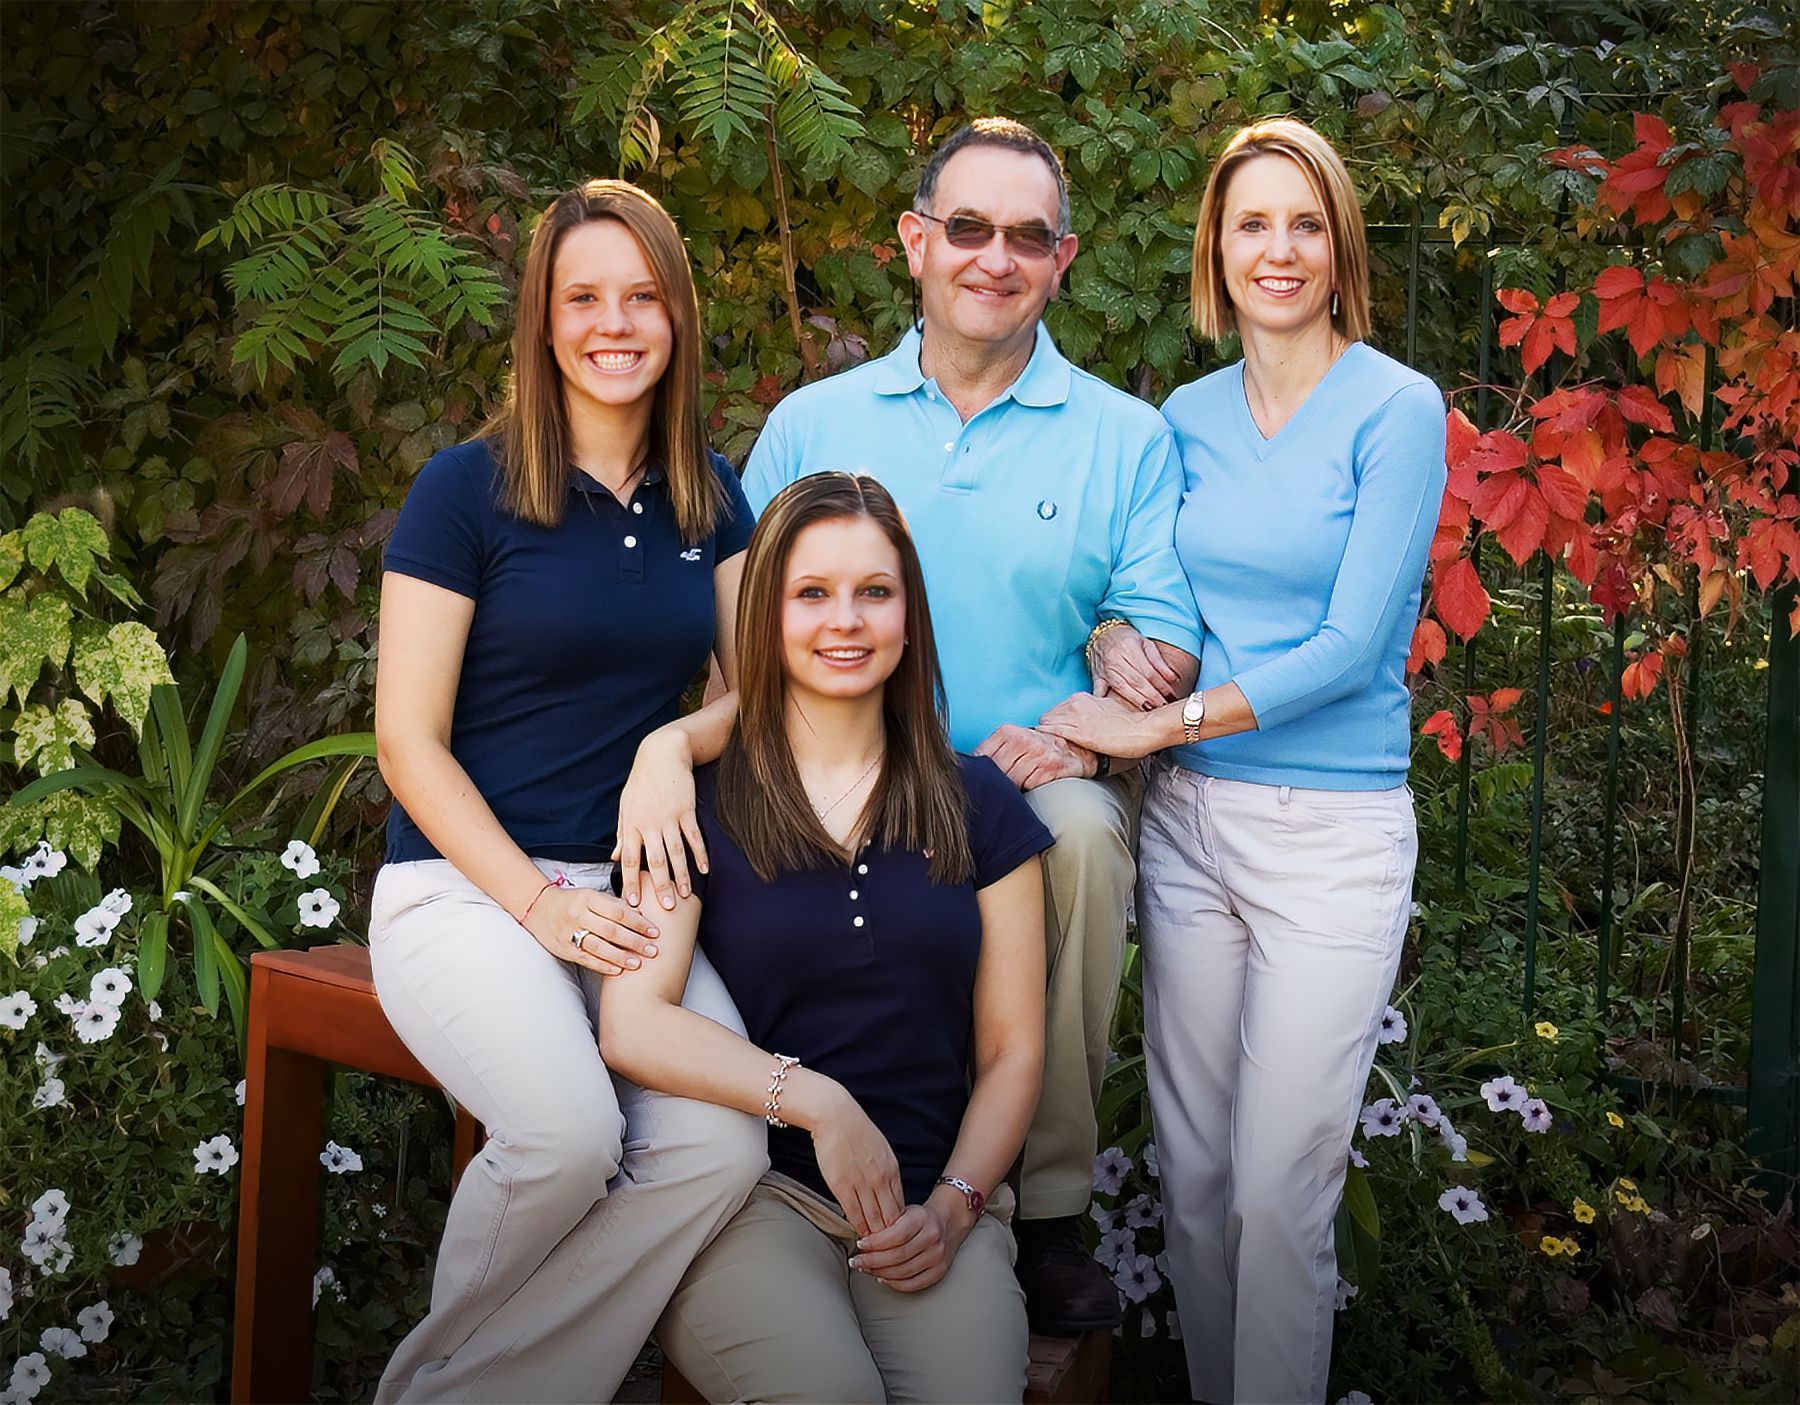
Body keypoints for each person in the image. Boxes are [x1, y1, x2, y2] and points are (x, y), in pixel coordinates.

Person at [731, 117, 1203, 1333]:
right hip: (826, 770)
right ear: (916, 242)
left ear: (1064, 259)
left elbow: (1161, 639)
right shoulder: (811, 424)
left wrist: (1089, 734)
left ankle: (1041, 1209)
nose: (996, 257)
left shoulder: (1125, 437)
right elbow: (737, 634)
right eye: (970, 228)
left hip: (1014, 782)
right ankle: (757, 1170)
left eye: (1028, 237)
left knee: (1086, 838)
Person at [1039, 117, 1448, 1403]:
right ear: (1216, 246)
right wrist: (1115, 640)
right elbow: (1151, 597)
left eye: (1305, 223)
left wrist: (1155, 727)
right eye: (1253, 223)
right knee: (1199, 1177)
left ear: (1341, 247)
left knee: (1281, 1192)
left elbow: (1349, 644)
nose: (1280, 249)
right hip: (1193, 829)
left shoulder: (1397, 407)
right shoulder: (1188, 417)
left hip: (1331, 839)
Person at [368, 179, 764, 1403]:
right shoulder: (464, 489)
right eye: (583, 297)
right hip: (466, 892)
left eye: (642, 297)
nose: (614, 323)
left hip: (637, 901)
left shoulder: (710, 493)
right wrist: (536, 907)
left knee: (719, 1145)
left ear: (679, 317)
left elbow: (757, 696)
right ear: (542, 320)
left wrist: (667, 747)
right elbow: (406, 743)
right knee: (566, 1136)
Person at [599, 472, 1050, 1402]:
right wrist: (818, 1103)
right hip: (750, 1206)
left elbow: (1012, 1052)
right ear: (766, 615)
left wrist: (958, 1207)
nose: (844, 620)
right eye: (812, 593)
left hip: (928, 1209)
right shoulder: (696, 806)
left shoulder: (982, 805)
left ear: (908, 615)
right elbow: (633, 1024)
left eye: (873, 592)